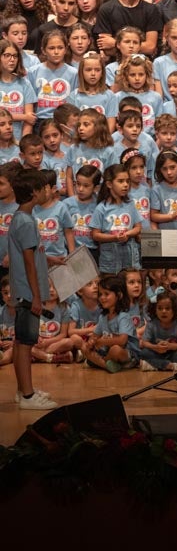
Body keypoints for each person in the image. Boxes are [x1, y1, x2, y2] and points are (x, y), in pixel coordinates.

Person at [8, 166, 58, 409]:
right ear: (34, 192)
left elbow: (30, 254)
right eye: (44, 188)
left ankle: (23, 390)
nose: (48, 191)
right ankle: (27, 396)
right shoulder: (26, 222)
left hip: (24, 291)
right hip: (28, 293)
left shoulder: (21, 218)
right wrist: (36, 297)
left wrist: (51, 259)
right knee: (26, 344)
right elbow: (28, 263)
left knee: (21, 342)